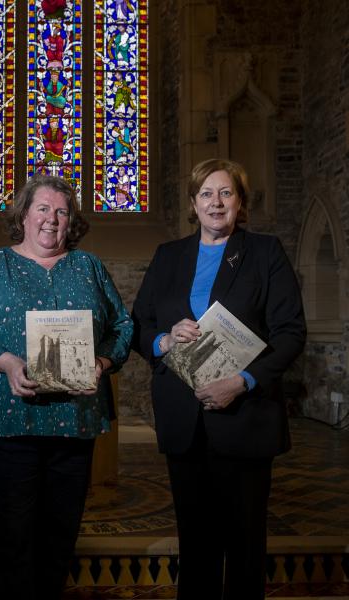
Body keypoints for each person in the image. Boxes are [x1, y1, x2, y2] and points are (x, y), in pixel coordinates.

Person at [132, 158, 306, 600]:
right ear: (193, 203)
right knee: (196, 544)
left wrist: (244, 381)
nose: (216, 202)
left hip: (244, 418)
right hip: (183, 421)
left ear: (240, 202)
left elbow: (290, 332)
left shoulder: (265, 252)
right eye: (207, 193)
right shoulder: (168, 256)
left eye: (226, 193)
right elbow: (139, 324)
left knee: (245, 545)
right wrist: (165, 341)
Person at [0, 174, 133, 600]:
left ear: (71, 220)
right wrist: (6, 362)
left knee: (58, 540)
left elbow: (122, 326)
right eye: (43, 208)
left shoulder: (88, 267)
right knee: (9, 540)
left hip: (74, 424)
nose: (51, 219)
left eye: (61, 210)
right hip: (9, 422)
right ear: (23, 213)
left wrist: (103, 361)